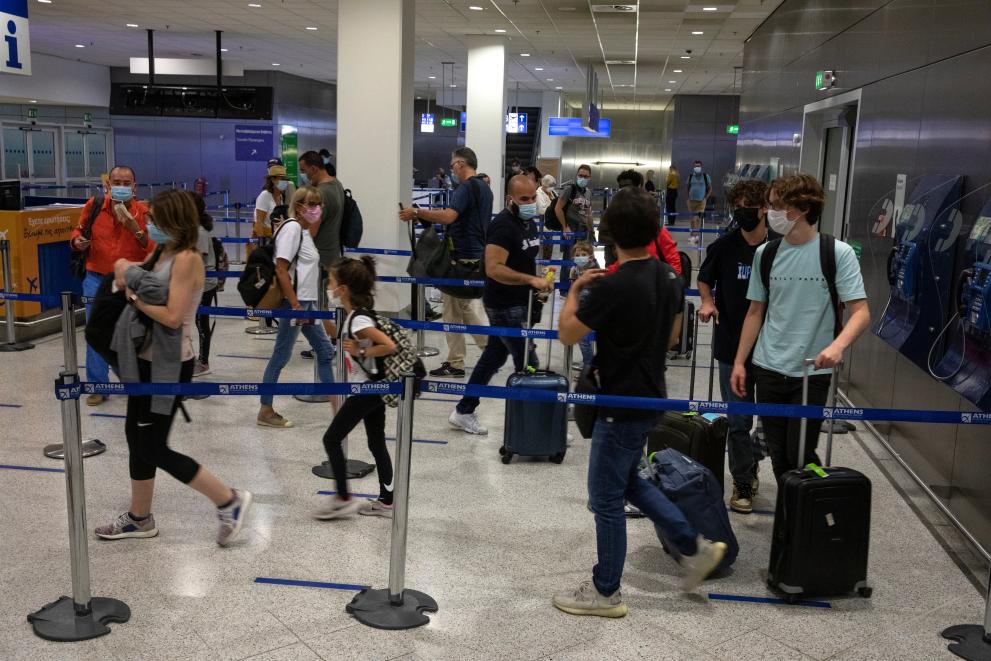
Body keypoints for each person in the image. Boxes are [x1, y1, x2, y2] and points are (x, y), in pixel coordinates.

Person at [554, 187, 727, 618]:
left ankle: (605, 590)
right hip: (651, 395)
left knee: (605, 499)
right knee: (629, 482)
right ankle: (693, 547)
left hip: (618, 402)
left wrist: (575, 291)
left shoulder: (610, 285)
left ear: (610, 233)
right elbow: (670, 337)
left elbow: (567, 335)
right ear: (654, 231)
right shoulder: (671, 277)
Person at [95, 189, 251, 546]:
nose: (149, 224)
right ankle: (139, 517)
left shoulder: (188, 258)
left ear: (174, 222)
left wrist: (132, 295)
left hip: (167, 365)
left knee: (153, 446)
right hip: (143, 361)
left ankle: (229, 500)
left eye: (155, 220)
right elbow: (145, 281)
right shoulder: (161, 250)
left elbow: (172, 315)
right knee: (137, 439)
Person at [731, 174, 870, 481]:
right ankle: (791, 525)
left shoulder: (837, 253)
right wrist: (740, 362)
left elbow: (861, 312)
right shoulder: (765, 254)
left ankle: (809, 519)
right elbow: (755, 311)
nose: (769, 212)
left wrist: (837, 346)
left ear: (802, 208)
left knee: (801, 454)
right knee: (780, 456)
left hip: (811, 373)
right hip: (768, 368)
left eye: (777, 205)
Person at [448, 175, 551, 435]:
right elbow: (494, 269)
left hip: (520, 300)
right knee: (528, 361)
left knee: (493, 356)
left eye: (532, 198)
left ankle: (463, 410)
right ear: (511, 199)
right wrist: (530, 279)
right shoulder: (503, 226)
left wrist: (539, 279)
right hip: (503, 304)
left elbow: (523, 258)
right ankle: (536, 425)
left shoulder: (528, 223)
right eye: (523, 199)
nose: (529, 203)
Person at [697, 179, 777, 513]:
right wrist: (707, 302)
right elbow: (704, 279)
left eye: (749, 207)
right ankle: (743, 481)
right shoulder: (724, 247)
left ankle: (754, 455)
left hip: (775, 349)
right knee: (739, 421)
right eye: (738, 207)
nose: (743, 213)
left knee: (776, 423)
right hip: (732, 346)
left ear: (764, 209)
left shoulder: (781, 248)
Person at [313, 257, 398, 520]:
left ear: (344, 289)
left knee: (331, 439)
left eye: (332, 283)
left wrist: (361, 348)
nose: (329, 286)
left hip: (366, 390)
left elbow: (388, 345)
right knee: (376, 441)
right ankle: (387, 501)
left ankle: (343, 497)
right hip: (373, 386)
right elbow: (339, 334)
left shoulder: (358, 320)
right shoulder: (356, 315)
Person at [399, 147, 492, 378]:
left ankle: (465, 359)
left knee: (455, 311)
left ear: (461, 163)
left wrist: (418, 212)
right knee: (464, 308)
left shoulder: (466, 187)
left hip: (459, 260)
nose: (452, 170)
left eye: (452, 166)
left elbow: (449, 216)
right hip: (475, 257)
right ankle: (471, 356)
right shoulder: (485, 188)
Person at [70, 165, 154, 407]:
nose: (121, 187)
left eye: (127, 183)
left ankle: (137, 383)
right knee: (96, 333)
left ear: (135, 186)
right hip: (96, 277)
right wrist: (77, 242)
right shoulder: (94, 205)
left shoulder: (144, 212)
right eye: (116, 182)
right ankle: (98, 386)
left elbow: (152, 248)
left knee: (136, 332)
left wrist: (134, 228)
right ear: (107, 185)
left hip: (132, 279)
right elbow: (78, 230)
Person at [256, 186, 337, 429]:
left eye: (318, 203)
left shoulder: (303, 230)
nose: (316, 208)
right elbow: (281, 269)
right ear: (299, 206)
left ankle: (337, 405)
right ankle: (265, 409)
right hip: (295, 305)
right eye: (311, 204)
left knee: (324, 351)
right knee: (281, 354)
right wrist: (295, 305)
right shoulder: (292, 228)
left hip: (306, 303)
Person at [298, 150, 346, 269]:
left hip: (319, 260)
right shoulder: (337, 184)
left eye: (303, 171)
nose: (303, 175)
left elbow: (311, 231)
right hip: (334, 254)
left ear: (314, 169)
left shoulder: (320, 193)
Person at [192, 193, 218, 377]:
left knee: (202, 324)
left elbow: (197, 262)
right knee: (198, 321)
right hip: (197, 283)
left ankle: (203, 361)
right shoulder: (194, 230)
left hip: (204, 285)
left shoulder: (199, 232)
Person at [569, 240, 599, 372]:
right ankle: (589, 362)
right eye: (578, 254)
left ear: (590, 256)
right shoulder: (576, 269)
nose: (580, 257)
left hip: (590, 312)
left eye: (583, 254)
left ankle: (588, 364)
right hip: (583, 310)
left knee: (584, 339)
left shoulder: (593, 270)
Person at [254, 164, 290, 247]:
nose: (285, 182)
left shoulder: (280, 196)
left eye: (285, 180)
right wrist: (262, 246)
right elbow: (259, 223)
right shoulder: (265, 195)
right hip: (266, 239)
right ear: (273, 180)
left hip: (275, 237)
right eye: (282, 179)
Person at [685, 160, 712, 244]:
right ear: (693, 167)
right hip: (691, 201)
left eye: (698, 166)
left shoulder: (705, 176)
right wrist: (688, 197)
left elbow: (710, 188)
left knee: (696, 219)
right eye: (695, 166)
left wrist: (705, 198)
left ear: (701, 166)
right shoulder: (690, 176)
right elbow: (687, 187)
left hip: (701, 201)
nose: (697, 168)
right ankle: (693, 235)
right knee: (692, 219)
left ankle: (696, 236)